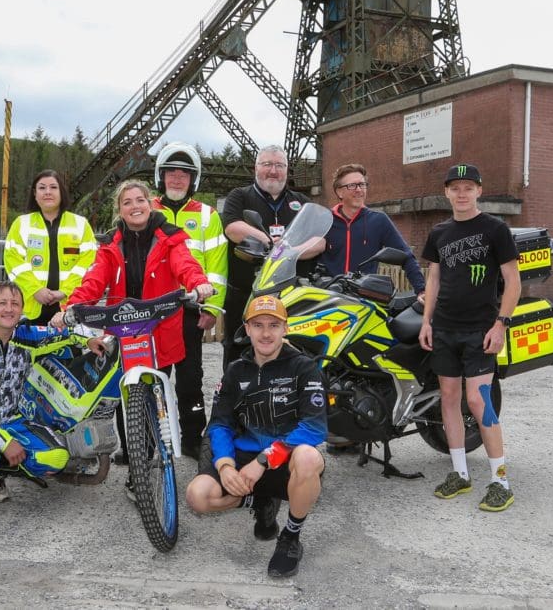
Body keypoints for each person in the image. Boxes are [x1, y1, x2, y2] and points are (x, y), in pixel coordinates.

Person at [49, 180, 214, 481]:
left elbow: (185, 264)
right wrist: (69, 309)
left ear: (150, 204)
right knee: (128, 394)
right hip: (125, 329)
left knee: (157, 389)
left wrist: (197, 283)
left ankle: (156, 451)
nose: (135, 206)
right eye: (127, 202)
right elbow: (94, 282)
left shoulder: (170, 238)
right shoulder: (111, 245)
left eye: (140, 200)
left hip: (159, 326)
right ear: (120, 210)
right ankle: (136, 458)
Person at [185, 294, 327, 578]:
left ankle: (290, 537)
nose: (265, 333)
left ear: (285, 328)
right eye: (258, 325)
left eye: (273, 325)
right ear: (247, 329)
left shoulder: (304, 366)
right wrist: (225, 465)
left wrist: (264, 460)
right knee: (197, 496)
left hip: (283, 458)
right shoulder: (235, 370)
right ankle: (256, 501)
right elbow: (220, 424)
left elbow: (314, 428)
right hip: (242, 456)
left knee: (310, 457)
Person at [0, 281, 101, 512]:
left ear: (22, 309)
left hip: (12, 421)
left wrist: (89, 340)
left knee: (56, 458)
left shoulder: (26, 336)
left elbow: (67, 333)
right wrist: (5, 443)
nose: (8, 309)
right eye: (2, 303)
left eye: (15, 304)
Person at [418, 163, 521, 512]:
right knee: (448, 399)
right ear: (446, 192)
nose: (461, 193)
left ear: (479, 190)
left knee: (478, 402)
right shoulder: (439, 232)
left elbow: (513, 280)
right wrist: (427, 322)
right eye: (455, 187)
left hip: (480, 329)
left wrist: (500, 324)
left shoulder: (495, 228)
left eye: (468, 187)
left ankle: (500, 481)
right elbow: (433, 279)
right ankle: (460, 474)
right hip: (444, 327)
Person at [151, 142, 228, 458]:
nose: (177, 179)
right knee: (151, 379)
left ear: (193, 180)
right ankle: (146, 440)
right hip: (151, 313)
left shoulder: (208, 215)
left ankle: (193, 439)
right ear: (161, 176)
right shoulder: (147, 210)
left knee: (190, 380)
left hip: (189, 310)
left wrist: (211, 308)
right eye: (171, 172)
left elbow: (218, 266)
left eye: (184, 173)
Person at [220, 145, 324, 370]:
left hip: (290, 294)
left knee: (293, 350)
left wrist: (292, 251)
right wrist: (267, 241)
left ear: (287, 170)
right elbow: (233, 228)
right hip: (247, 293)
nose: (273, 171)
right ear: (256, 168)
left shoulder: (301, 201)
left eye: (279, 165)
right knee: (237, 350)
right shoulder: (240, 196)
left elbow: (320, 240)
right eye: (267, 164)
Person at [4, 170, 97, 325]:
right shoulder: (21, 224)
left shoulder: (81, 224)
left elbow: (88, 264)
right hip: (30, 309)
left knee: (69, 349)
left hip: (70, 309)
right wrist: (35, 290)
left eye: (53, 187)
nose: (47, 192)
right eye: (42, 188)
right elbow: (13, 261)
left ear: (61, 192)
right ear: (35, 193)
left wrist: (65, 291)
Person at [322, 163, 426, 296]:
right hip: (328, 297)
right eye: (352, 185)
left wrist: (421, 289)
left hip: (363, 299)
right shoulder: (325, 220)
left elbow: (405, 256)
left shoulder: (378, 220)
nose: (359, 190)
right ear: (339, 192)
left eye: (362, 184)